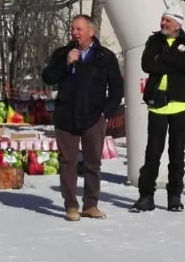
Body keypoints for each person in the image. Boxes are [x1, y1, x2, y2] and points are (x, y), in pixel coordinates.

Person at [41, 14, 123, 222]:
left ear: (91, 32)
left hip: (94, 117)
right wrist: (66, 63)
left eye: (79, 29)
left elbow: (116, 88)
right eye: (72, 29)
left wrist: (107, 112)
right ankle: (71, 205)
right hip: (66, 117)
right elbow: (48, 78)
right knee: (67, 162)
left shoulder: (105, 57)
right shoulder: (62, 53)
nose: (74, 33)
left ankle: (91, 204)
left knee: (93, 163)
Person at [131, 2, 185, 213]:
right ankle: (146, 195)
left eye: (167, 20)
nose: (163, 23)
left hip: (180, 105)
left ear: (177, 24)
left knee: (177, 154)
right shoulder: (154, 40)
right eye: (162, 19)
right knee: (152, 153)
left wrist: (163, 57)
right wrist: (171, 60)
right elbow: (147, 64)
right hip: (158, 106)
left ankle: (174, 195)